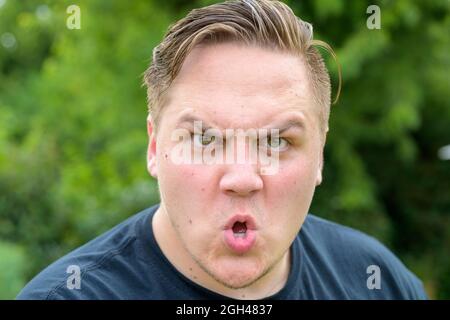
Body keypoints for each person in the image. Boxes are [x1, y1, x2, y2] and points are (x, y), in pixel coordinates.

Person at [17, 0, 427, 300]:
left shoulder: (380, 284)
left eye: (277, 142)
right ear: (155, 147)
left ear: (319, 154)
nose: (243, 178)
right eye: (205, 140)